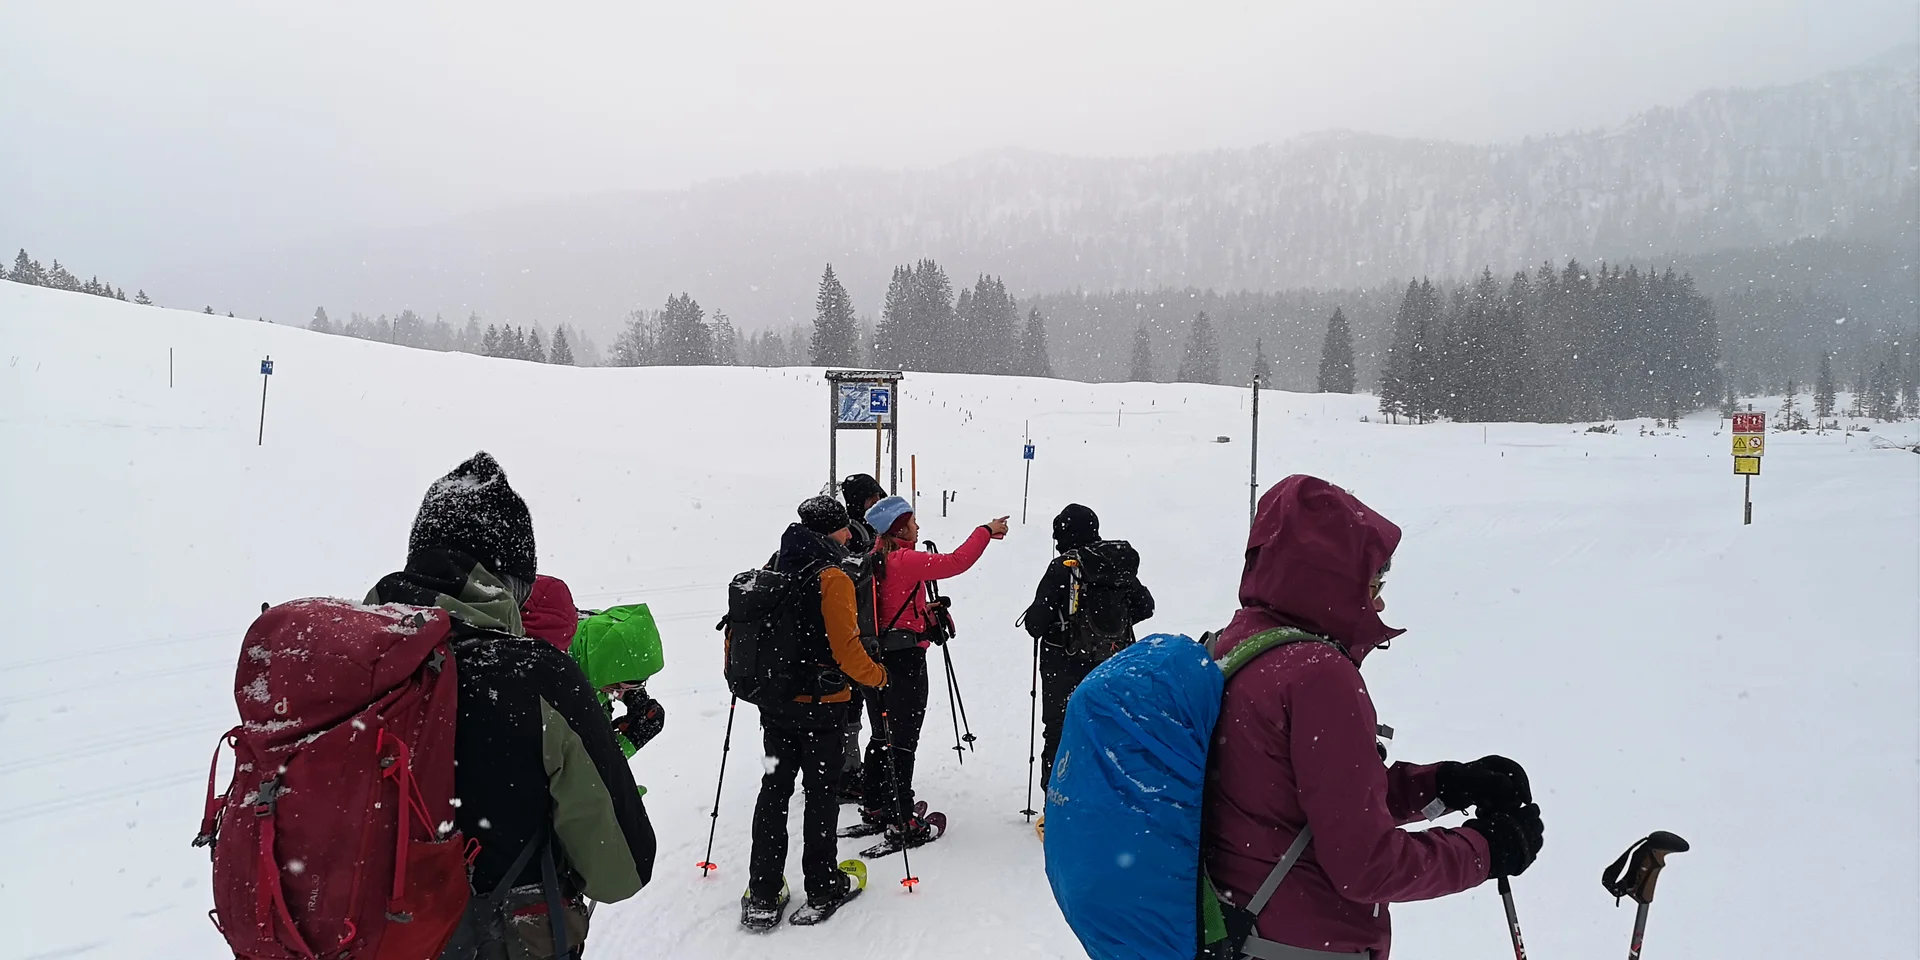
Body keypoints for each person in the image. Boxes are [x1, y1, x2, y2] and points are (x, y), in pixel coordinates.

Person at [1203, 476, 1543, 960]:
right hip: (1298, 946)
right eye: (1372, 582)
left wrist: (1443, 785)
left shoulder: (1235, 647)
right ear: (1327, 577)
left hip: (1242, 932)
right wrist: (1486, 850)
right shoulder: (1318, 675)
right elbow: (1366, 865)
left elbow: (1302, 801)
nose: (1378, 600)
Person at [364, 452, 656, 959]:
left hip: (359, 938)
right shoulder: (533, 676)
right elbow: (623, 868)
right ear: (513, 582)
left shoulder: (354, 662)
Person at [743, 496, 889, 929]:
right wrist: (877, 676)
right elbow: (846, 649)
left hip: (776, 709)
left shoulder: (774, 566)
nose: (849, 536)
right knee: (822, 793)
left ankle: (764, 892)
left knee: (773, 791)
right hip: (823, 710)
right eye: (844, 529)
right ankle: (823, 885)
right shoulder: (832, 576)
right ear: (831, 531)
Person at [857, 495, 1007, 848]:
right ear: (900, 527)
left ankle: (876, 806)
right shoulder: (904, 559)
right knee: (904, 738)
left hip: (873, 658)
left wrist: (922, 611)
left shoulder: (871, 560)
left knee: (881, 734)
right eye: (912, 521)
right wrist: (986, 530)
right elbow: (956, 562)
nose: (918, 527)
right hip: (904, 659)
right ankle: (903, 819)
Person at [1023, 504, 1154, 822]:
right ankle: (1105, 802)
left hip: (1062, 665)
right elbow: (1145, 606)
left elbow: (1035, 624)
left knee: (1059, 732)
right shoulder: (1115, 565)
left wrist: (1067, 627)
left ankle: (1058, 806)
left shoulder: (1063, 567)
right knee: (1106, 730)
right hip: (1110, 664)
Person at [835, 472, 889, 801]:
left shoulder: (863, 528)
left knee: (857, 700)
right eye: (871, 498)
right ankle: (847, 773)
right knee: (851, 702)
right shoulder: (850, 533)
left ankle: (850, 769)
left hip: (863, 627)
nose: (876, 503)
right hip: (852, 628)